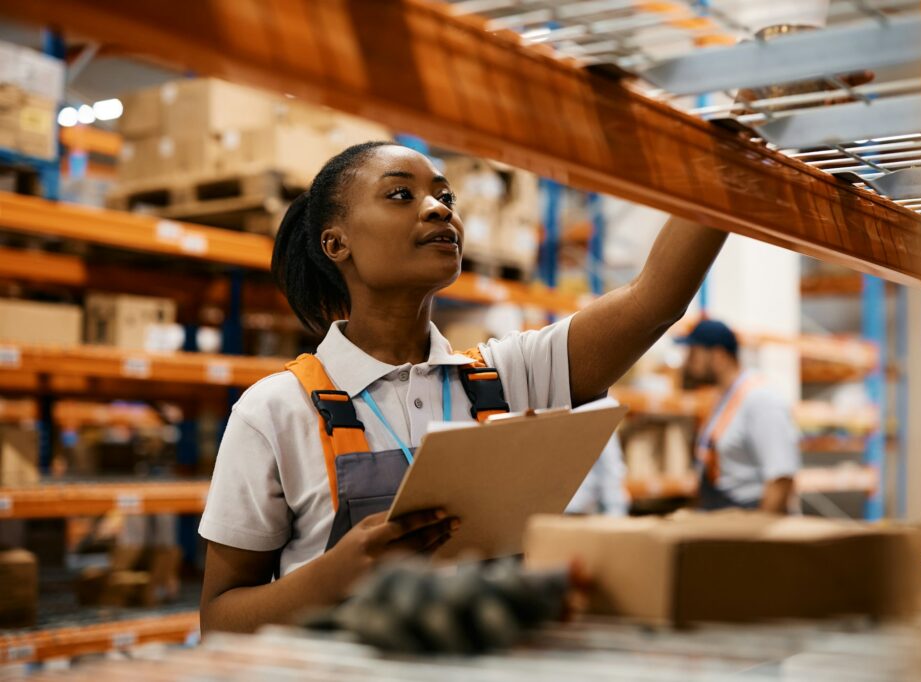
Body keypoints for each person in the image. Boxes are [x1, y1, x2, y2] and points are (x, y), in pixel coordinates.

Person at [198, 141, 726, 633]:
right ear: (336, 243)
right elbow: (219, 617)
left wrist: (726, 165)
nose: (438, 208)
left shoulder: (511, 376)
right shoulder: (274, 412)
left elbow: (654, 299)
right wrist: (328, 580)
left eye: (445, 195)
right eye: (401, 194)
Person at [681, 319, 801, 513]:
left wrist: (757, 538)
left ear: (718, 356)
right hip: (725, 518)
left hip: (750, 520)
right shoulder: (723, 400)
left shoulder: (761, 400)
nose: (687, 362)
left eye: (694, 353)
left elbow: (781, 478)